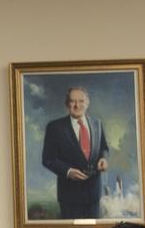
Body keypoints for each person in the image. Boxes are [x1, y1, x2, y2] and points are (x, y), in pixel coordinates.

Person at [41, 86, 109, 219]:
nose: (77, 105)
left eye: (81, 101)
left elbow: (104, 148)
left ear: (87, 103)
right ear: (67, 104)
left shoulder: (97, 123)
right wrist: (68, 171)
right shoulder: (55, 127)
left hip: (94, 194)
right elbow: (47, 158)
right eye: (73, 101)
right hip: (69, 196)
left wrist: (103, 159)